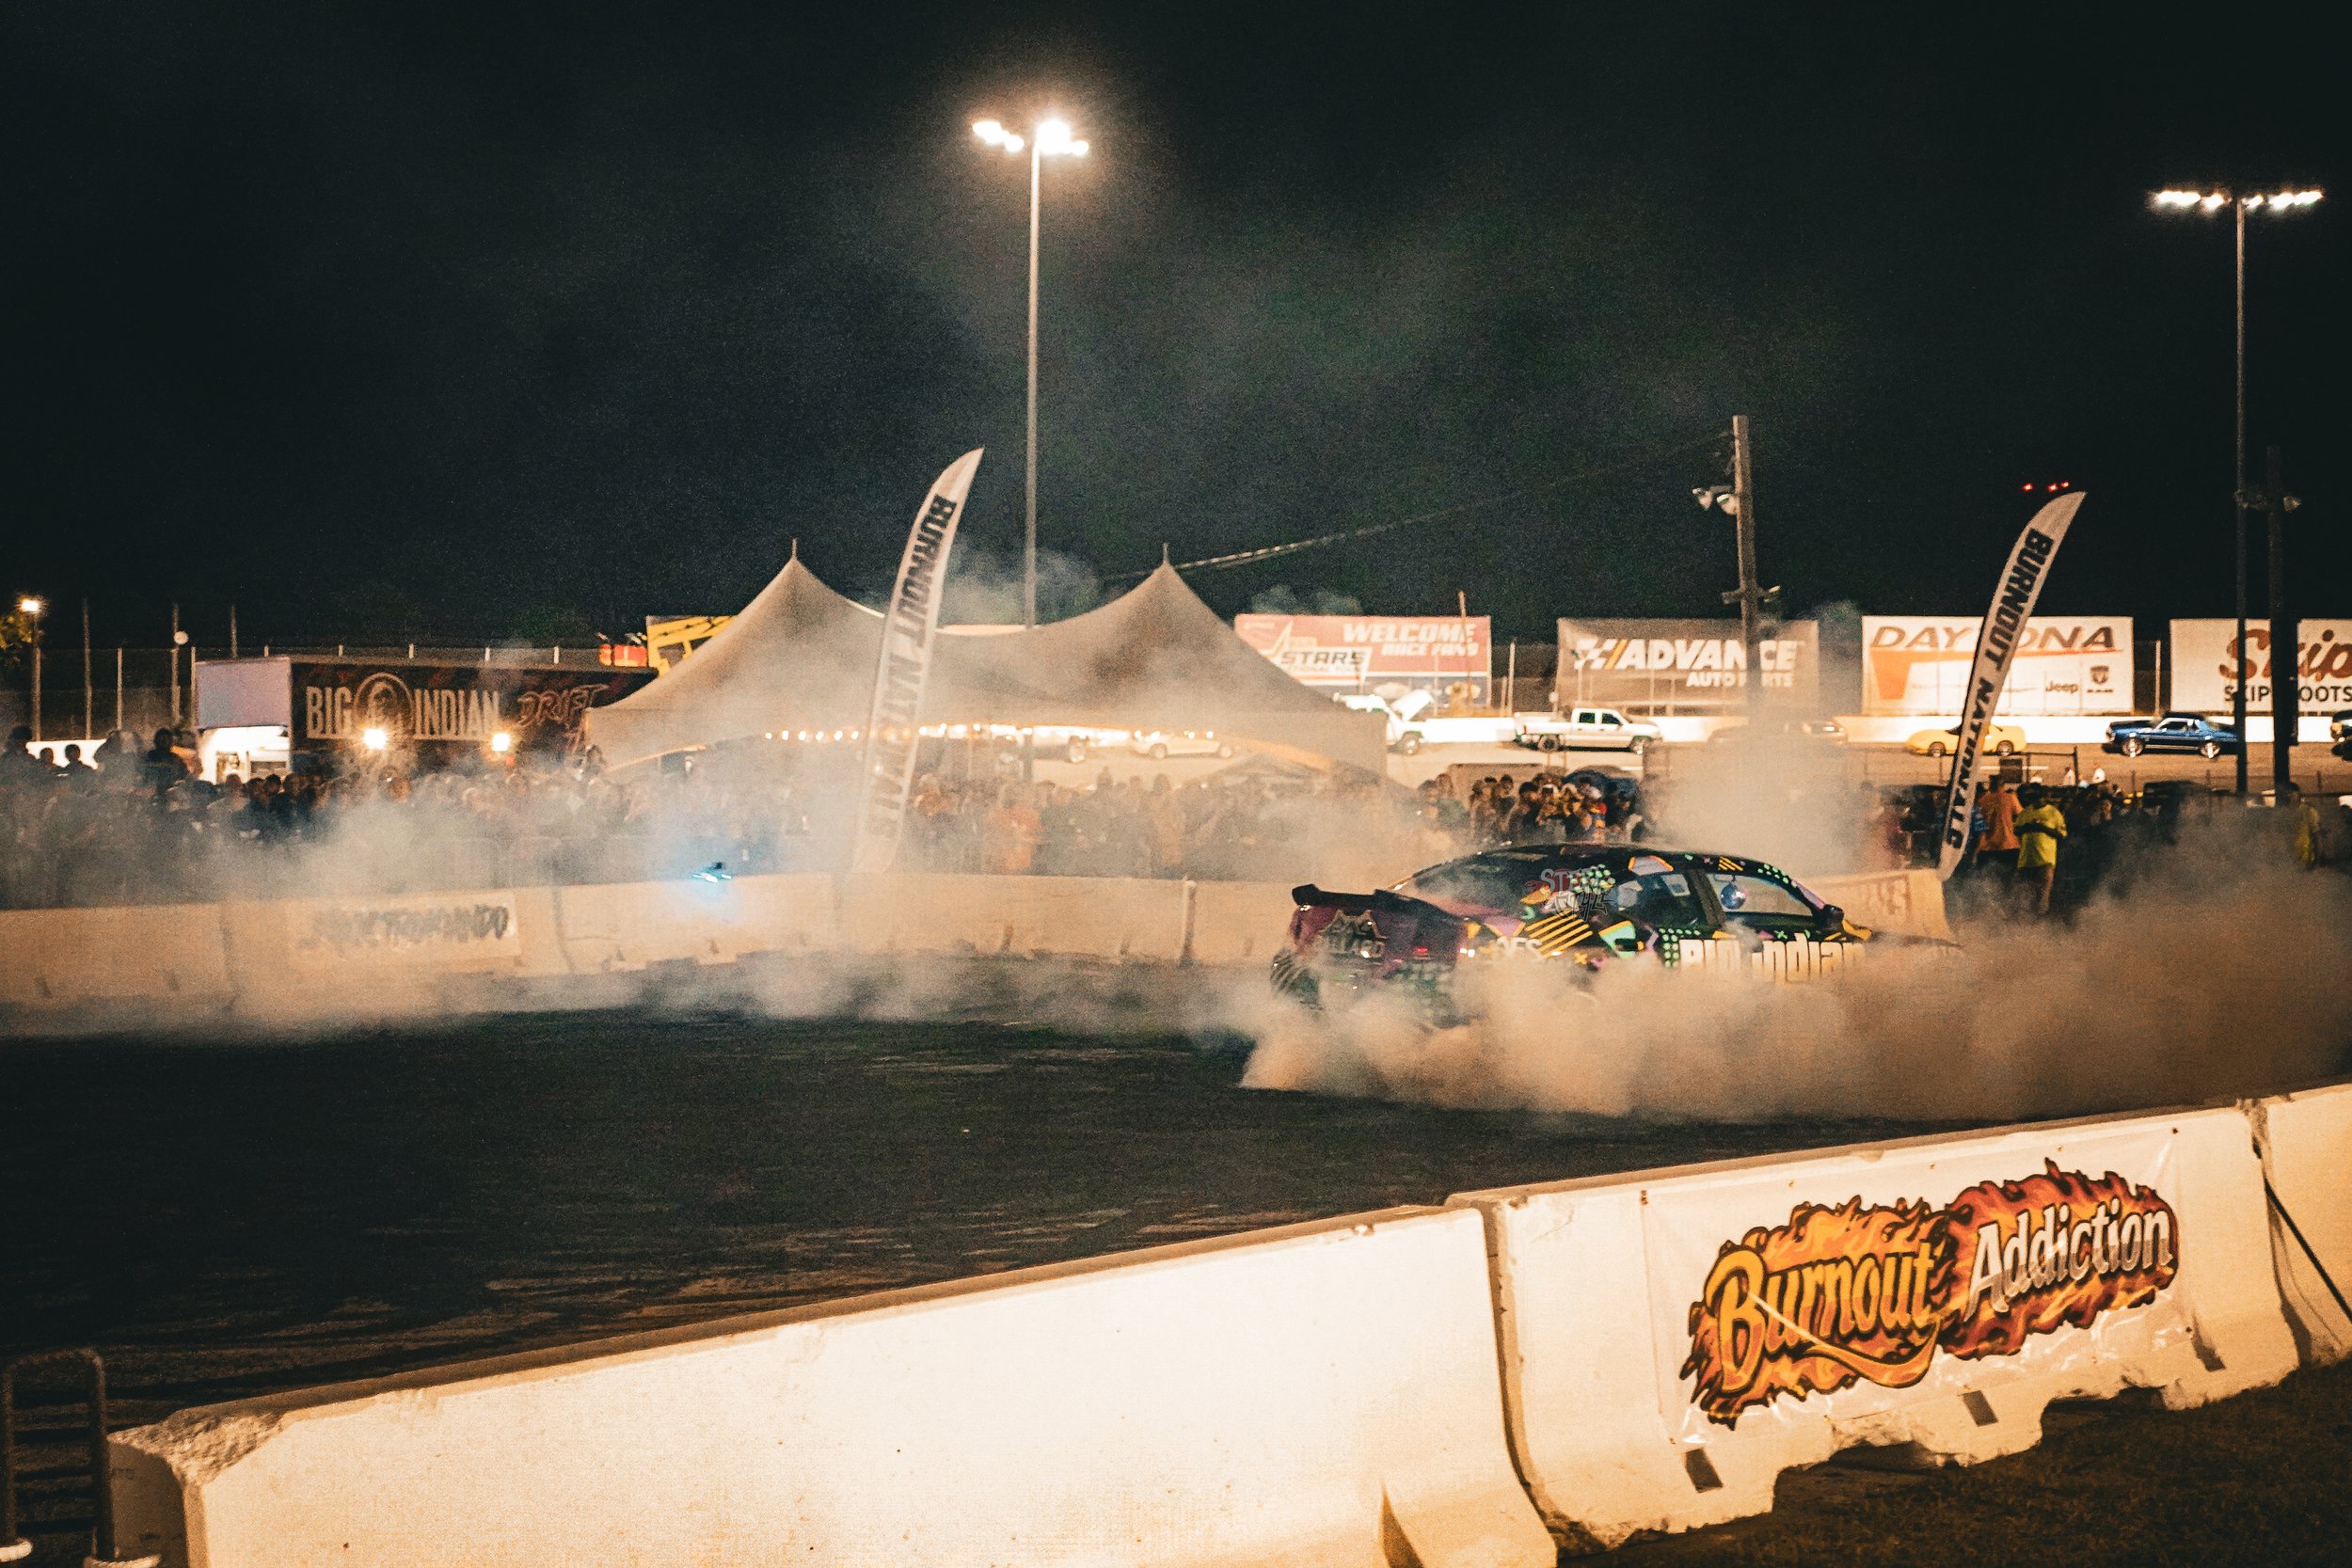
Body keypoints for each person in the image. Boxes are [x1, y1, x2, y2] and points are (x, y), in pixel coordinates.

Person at [2012, 784, 2068, 915]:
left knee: (2043, 895)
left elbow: (2062, 834)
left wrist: (2042, 828)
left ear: (2044, 798)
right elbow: (2016, 830)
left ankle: (2041, 921)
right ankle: (2026, 921)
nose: (2036, 801)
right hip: (2026, 860)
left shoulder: (2053, 813)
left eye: (2038, 798)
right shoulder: (2025, 812)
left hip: (2045, 860)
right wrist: (2028, 827)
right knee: (2025, 894)